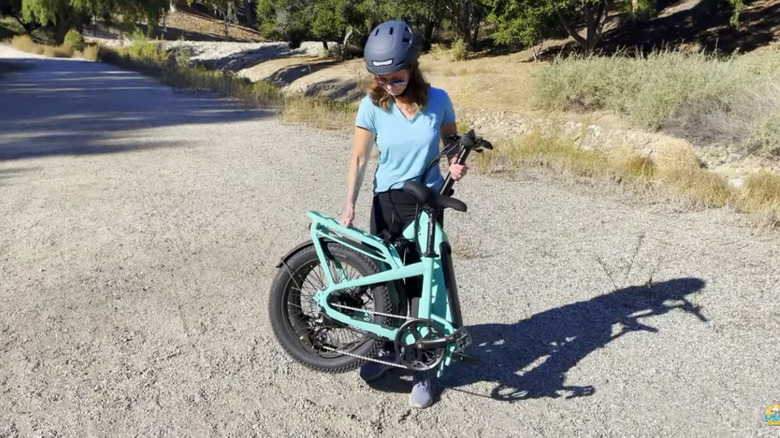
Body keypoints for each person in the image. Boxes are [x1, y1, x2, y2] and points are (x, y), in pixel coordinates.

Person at [338, 20, 468, 409]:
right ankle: (387, 352)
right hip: (387, 202)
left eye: (396, 79)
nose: (389, 86)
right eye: (380, 80)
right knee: (386, 288)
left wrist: (458, 164)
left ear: (412, 67)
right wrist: (350, 203)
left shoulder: (439, 99)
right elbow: (359, 158)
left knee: (425, 290)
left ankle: (426, 369)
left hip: (425, 202)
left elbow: (452, 143)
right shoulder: (371, 105)